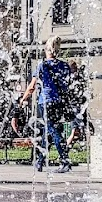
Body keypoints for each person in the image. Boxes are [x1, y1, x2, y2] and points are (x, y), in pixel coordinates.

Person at [22, 37, 72, 173]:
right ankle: (39, 161)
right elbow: (67, 85)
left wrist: (23, 99)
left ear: (46, 50)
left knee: (54, 131)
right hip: (59, 102)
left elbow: (31, 87)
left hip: (46, 102)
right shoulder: (65, 66)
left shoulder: (42, 65)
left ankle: (65, 161)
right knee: (48, 132)